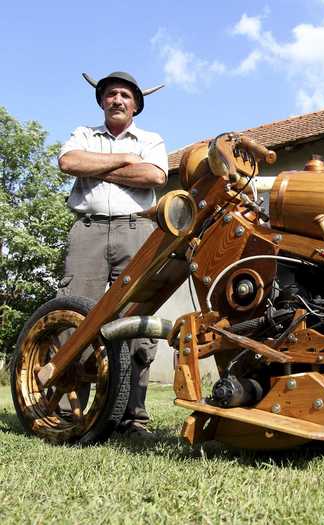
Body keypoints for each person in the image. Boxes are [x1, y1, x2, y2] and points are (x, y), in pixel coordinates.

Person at [57, 71, 167, 436]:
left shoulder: (151, 140)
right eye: (110, 94)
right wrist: (124, 161)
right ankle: (68, 410)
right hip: (87, 229)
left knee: (138, 320)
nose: (117, 99)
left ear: (136, 104)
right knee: (75, 315)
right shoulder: (83, 135)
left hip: (137, 230)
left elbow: (154, 177)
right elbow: (70, 163)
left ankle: (133, 416)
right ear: (102, 101)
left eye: (124, 95)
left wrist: (99, 167)